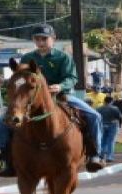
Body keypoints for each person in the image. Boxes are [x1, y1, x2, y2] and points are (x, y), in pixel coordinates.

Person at [16, 24, 104, 173]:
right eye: (37, 39)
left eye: (44, 39)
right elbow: (19, 78)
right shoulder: (27, 58)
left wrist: (60, 86)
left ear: (53, 39)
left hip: (61, 96)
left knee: (95, 116)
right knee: (2, 121)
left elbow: (72, 77)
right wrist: (3, 80)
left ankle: (95, 154)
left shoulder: (63, 57)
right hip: (32, 98)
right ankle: (8, 158)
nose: (41, 42)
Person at [96, 99, 122, 163]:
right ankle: (109, 157)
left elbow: (97, 117)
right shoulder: (115, 108)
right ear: (111, 102)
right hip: (112, 125)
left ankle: (101, 155)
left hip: (102, 125)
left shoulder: (99, 108)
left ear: (104, 101)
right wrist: (120, 125)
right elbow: (119, 117)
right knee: (111, 141)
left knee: (102, 141)